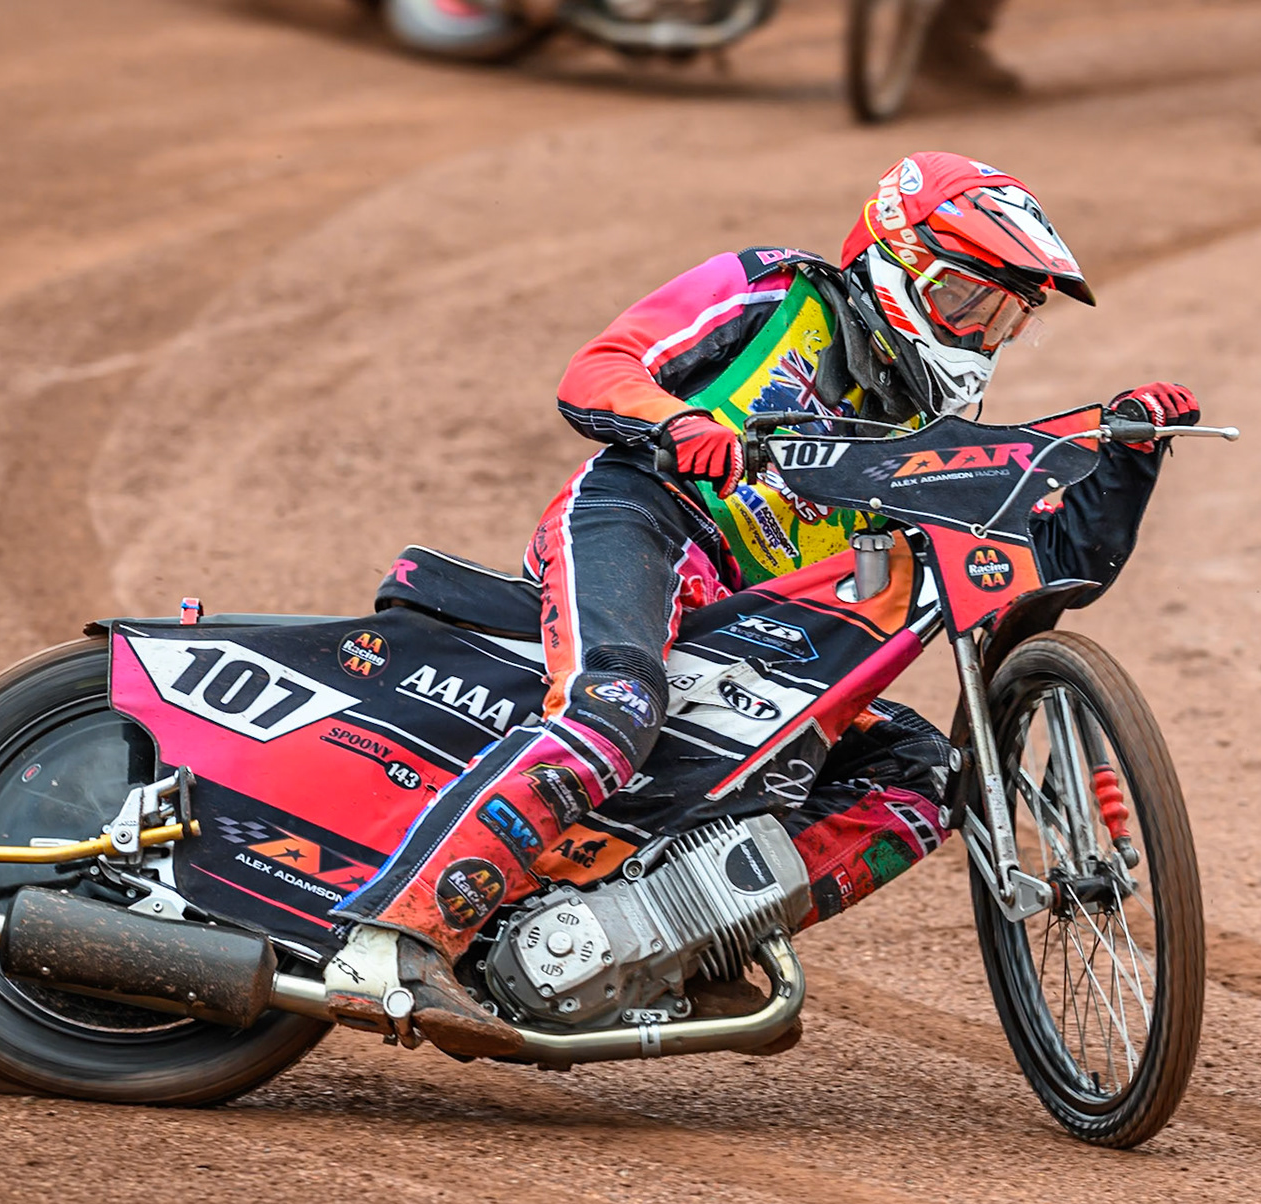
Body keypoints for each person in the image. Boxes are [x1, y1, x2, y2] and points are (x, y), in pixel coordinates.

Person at [325, 151, 1200, 1056]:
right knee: (612, 709)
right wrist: (678, 423)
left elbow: (1049, 566)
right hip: (645, 520)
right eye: (966, 301)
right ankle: (396, 938)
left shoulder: (934, 441)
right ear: (896, 260)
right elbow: (600, 368)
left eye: (1004, 318)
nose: (980, 335)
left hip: (751, 628)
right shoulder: (776, 290)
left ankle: (682, 933)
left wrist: (1129, 461)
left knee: (923, 775)